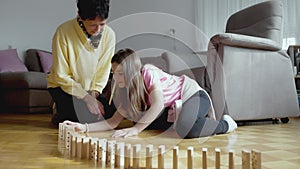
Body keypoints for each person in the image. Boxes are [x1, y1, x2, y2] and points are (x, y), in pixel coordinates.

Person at [64, 49, 238, 139]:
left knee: (186, 128)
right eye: (114, 73)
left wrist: (136, 130)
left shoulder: (147, 71)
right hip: (175, 108)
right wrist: (83, 127)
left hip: (192, 94)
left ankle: (226, 124)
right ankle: (199, 122)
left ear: (132, 71)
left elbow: (158, 104)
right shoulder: (126, 93)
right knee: (148, 120)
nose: (115, 79)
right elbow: (112, 122)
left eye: (120, 73)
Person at [47, 0, 116, 127]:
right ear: (80, 15)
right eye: (92, 25)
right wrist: (86, 98)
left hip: (91, 89)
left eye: (102, 24)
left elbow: (104, 69)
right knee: (82, 118)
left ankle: (71, 110)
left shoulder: (109, 35)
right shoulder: (63, 32)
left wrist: (94, 96)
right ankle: (59, 109)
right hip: (64, 88)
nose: (98, 30)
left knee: (107, 113)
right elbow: (61, 75)